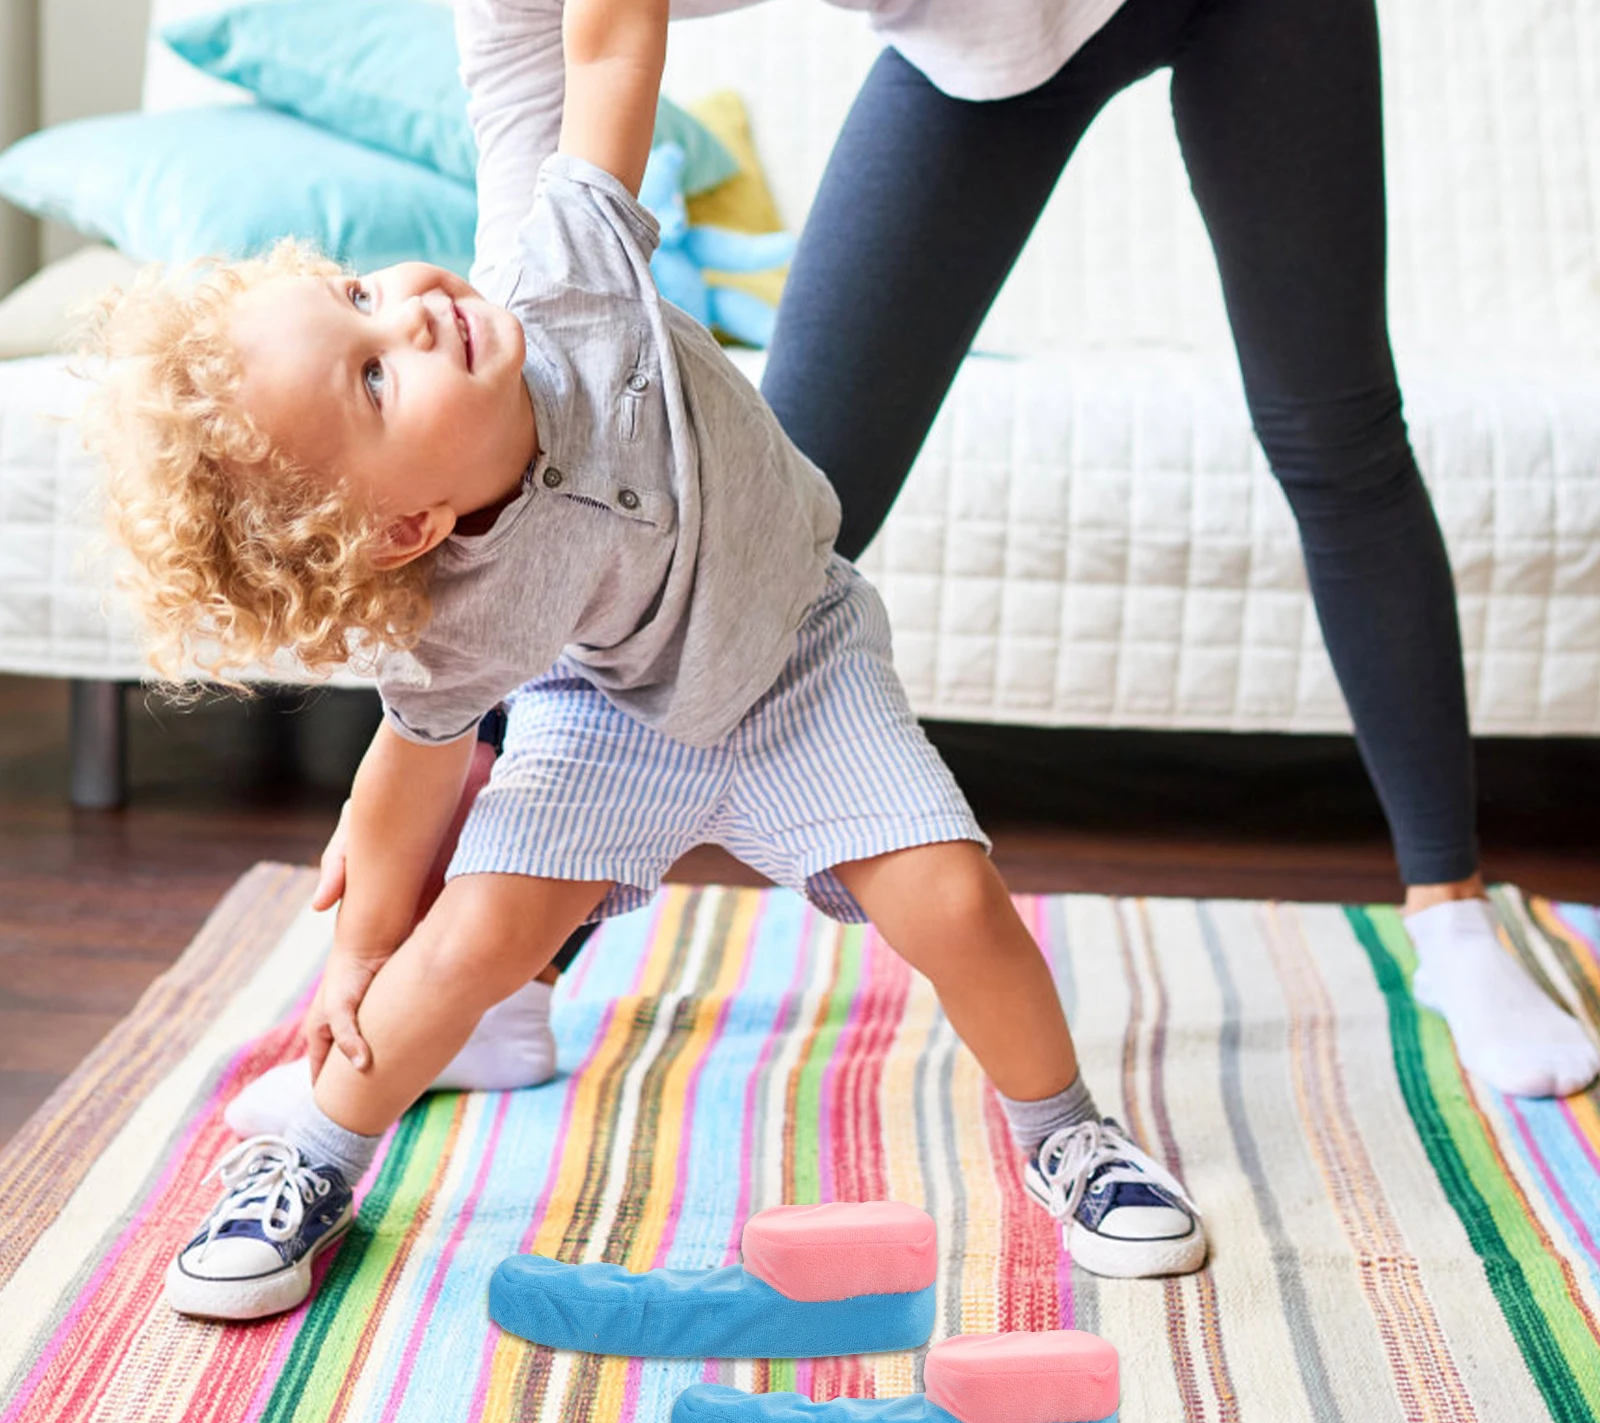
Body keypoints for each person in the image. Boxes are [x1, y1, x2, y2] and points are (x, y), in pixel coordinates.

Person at [84, 0, 1206, 1323]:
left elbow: (608, 48)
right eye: (375, 378)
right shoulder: (453, 607)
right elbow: (403, 779)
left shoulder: (569, 267)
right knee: (464, 949)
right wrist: (358, 959)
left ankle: (1068, 1136)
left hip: (801, 659)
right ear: (403, 528)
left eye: (356, 294)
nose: (409, 312)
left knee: (956, 903)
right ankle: (316, 1161)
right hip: (610, 713)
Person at [362, 0, 1594, 1104]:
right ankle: (514, 985)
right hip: (987, 38)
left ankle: (1452, 921)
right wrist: (434, 715)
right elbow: (540, 281)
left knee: (1336, 433)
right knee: (758, 520)